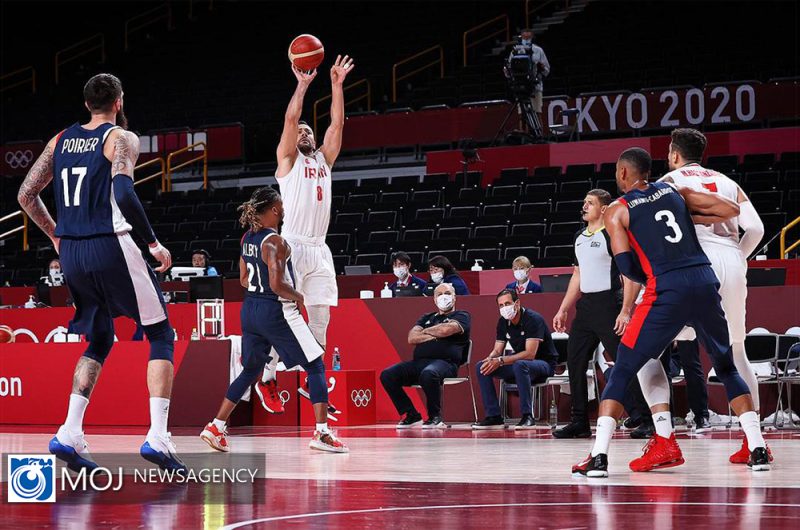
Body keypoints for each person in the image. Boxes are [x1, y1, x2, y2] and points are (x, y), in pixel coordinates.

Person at [18, 73, 184, 472]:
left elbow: (26, 193)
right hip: (110, 243)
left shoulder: (59, 141)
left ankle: (70, 432)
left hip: (73, 251)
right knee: (160, 332)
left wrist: (57, 235)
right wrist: (153, 242)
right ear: (119, 102)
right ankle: (158, 437)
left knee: (100, 337)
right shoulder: (120, 139)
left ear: (86, 103)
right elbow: (124, 192)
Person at [572, 147, 770, 478]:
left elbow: (626, 268)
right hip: (707, 280)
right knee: (727, 362)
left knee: (623, 367)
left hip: (667, 288)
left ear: (623, 174)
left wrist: (652, 262)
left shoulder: (617, 210)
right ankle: (758, 446)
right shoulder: (672, 191)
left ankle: (600, 456)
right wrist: (692, 215)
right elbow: (730, 209)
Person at [200, 187, 347, 453]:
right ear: (276, 209)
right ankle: (322, 433)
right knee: (315, 364)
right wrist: (299, 296)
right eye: (281, 206)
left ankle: (216, 426)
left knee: (249, 370)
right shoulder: (275, 242)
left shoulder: (247, 238)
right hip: (276, 310)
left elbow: (244, 279)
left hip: (251, 310)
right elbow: (277, 284)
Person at [659, 127, 768, 463]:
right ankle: (755, 439)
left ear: (675, 154)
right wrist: (738, 256)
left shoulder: (668, 181)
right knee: (736, 351)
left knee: (650, 349)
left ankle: (664, 438)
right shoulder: (727, 182)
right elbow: (758, 229)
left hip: (693, 262)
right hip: (731, 259)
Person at [255, 54, 355, 404]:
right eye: (299, 132)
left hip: (320, 248)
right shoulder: (288, 162)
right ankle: (266, 375)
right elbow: (291, 116)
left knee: (321, 318)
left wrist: (336, 85)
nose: (304, 133)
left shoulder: (324, 161)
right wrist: (302, 85)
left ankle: (308, 376)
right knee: (285, 317)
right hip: (292, 246)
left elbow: (337, 125)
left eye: (309, 131)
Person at [552, 189, 646, 439]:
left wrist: (626, 310)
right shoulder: (579, 237)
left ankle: (645, 418)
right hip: (586, 308)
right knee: (575, 362)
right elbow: (577, 275)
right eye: (584, 202)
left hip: (609, 305)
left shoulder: (612, 235)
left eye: (590, 203)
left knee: (624, 361)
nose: (584, 206)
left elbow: (629, 275)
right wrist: (563, 308)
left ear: (603, 209)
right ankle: (580, 422)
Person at [379, 283, 471, 428]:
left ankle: (435, 417)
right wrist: (436, 334)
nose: (443, 297)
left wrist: (426, 331)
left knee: (429, 373)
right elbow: (412, 338)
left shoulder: (462, 315)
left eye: (447, 293)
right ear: (434, 299)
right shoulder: (427, 317)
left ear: (454, 297)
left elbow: (447, 329)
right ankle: (411, 414)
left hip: (446, 364)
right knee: (388, 374)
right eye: (439, 294)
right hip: (419, 363)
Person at [473, 289, 558, 430]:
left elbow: (530, 354)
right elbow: (497, 350)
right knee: (481, 367)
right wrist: (489, 360)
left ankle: (527, 416)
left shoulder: (533, 319)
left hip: (544, 364)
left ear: (517, 303)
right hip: (521, 365)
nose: (504, 308)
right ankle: (494, 416)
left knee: (520, 364)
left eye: (507, 303)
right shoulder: (503, 322)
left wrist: (500, 361)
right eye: (501, 305)